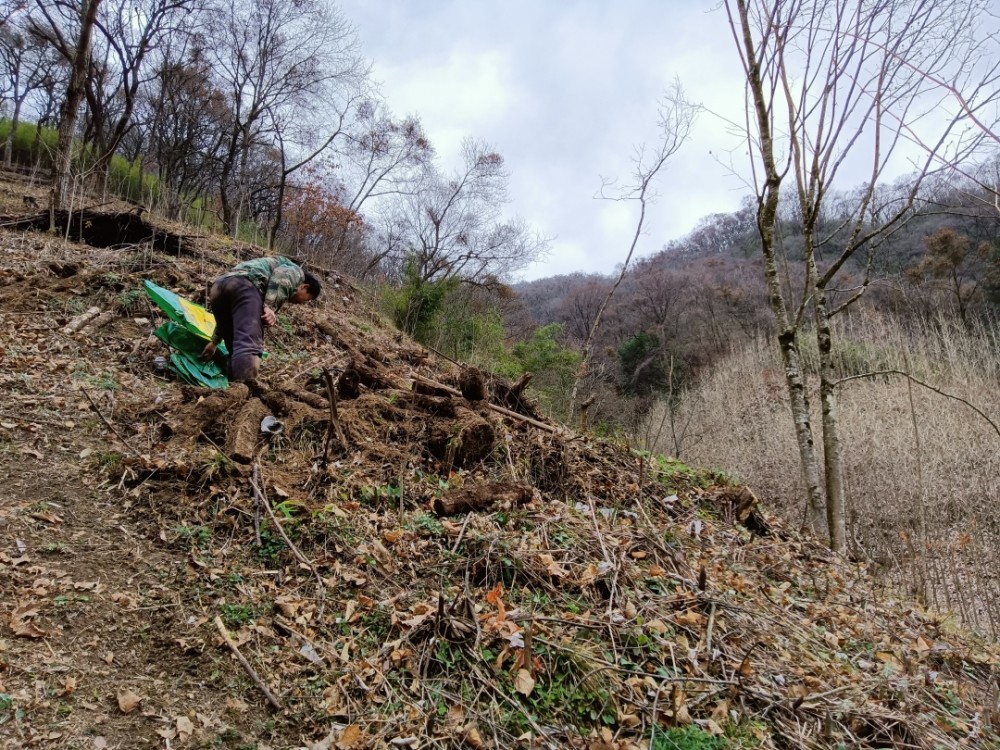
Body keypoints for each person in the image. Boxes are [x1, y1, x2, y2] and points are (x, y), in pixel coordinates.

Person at [200, 256, 321, 382]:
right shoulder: (296, 272)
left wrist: (214, 342)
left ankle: (233, 392)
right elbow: (281, 276)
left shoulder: (260, 274)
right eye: (306, 299)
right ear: (304, 287)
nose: (302, 303)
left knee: (235, 348)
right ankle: (245, 391)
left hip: (219, 287)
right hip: (246, 285)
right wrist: (269, 306)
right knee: (248, 346)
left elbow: (228, 319)